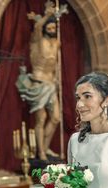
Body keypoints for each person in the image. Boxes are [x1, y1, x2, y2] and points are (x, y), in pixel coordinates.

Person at [16, 2, 68, 162]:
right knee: (41, 118)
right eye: (49, 27)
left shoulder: (57, 43)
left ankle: (45, 147)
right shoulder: (37, 40)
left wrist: (58, 78)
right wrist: (47, 15)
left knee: (56, 118)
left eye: (54, 28)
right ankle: (41, 153)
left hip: (51, 83)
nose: (52, 30)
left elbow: (56, 63)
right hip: (38, 82)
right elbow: (38, 26)